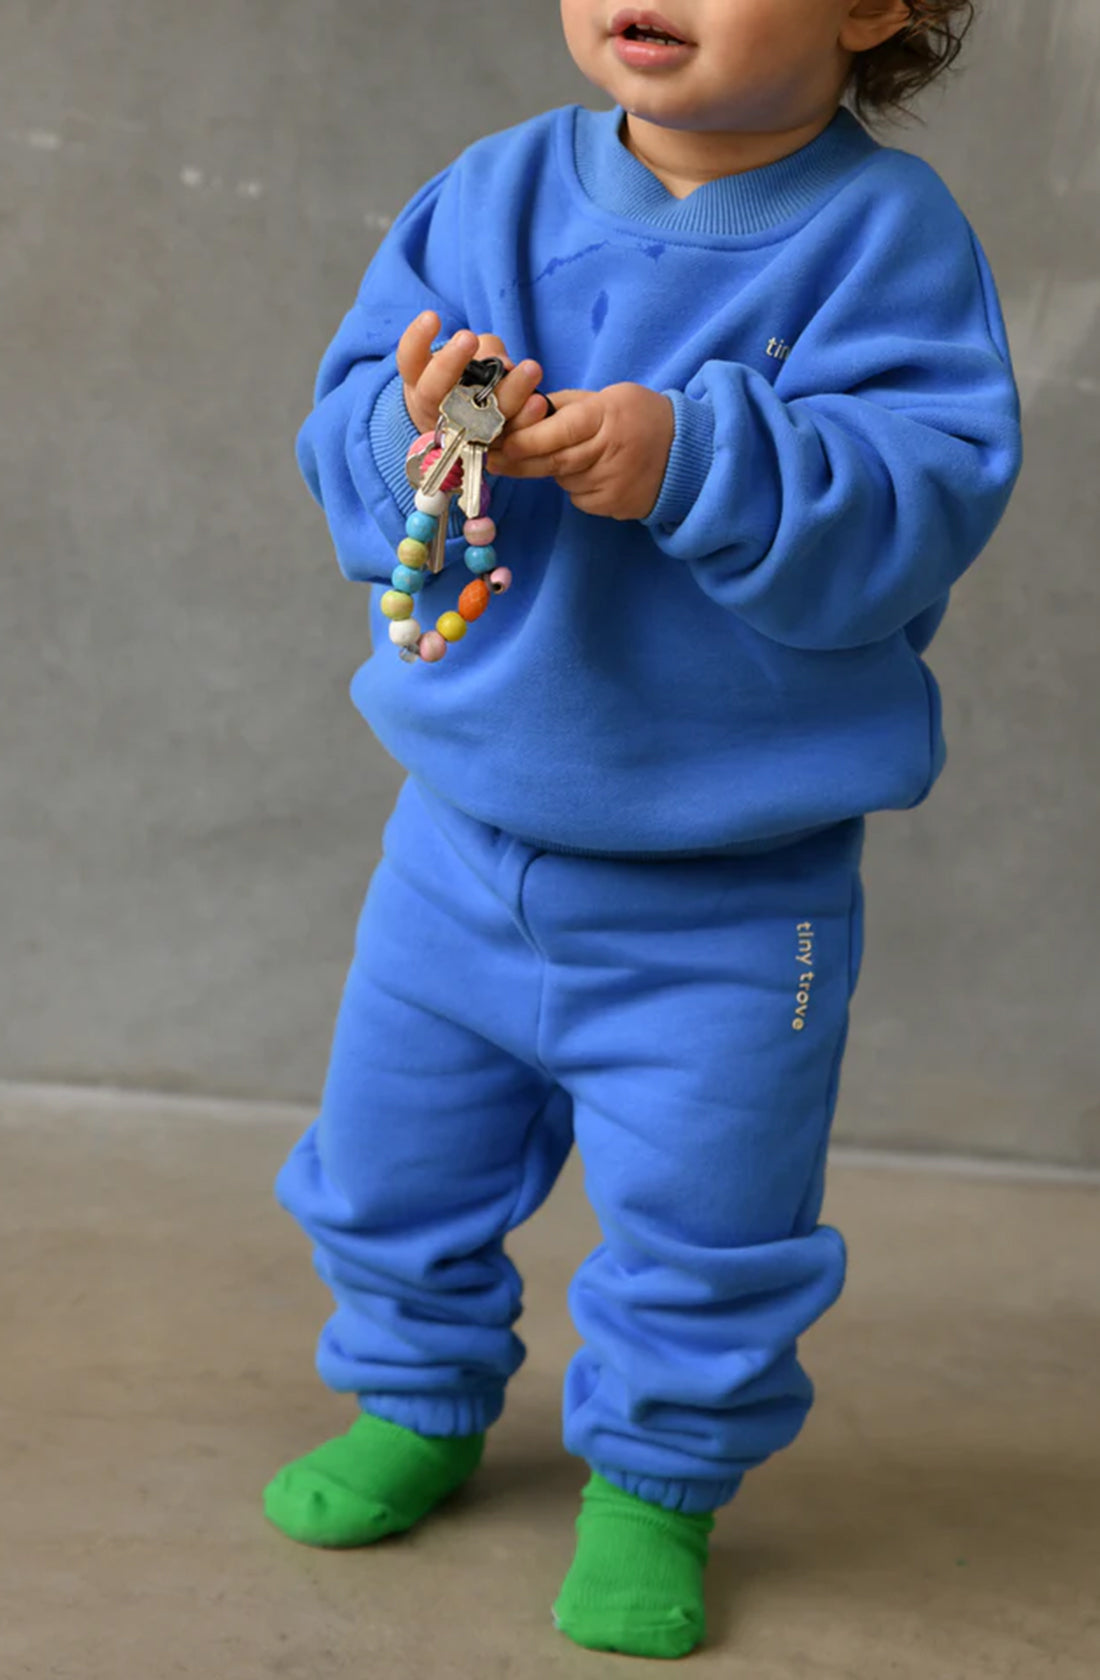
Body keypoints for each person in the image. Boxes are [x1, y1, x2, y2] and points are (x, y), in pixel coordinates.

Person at [263, 0, 1021, 1659]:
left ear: (876, 8)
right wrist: (422, 432)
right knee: (392, 1172)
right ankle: (417, 1393)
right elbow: (342, 441)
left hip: (736, 905)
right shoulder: (492, 193)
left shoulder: (889, 239)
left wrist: (697, 457)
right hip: (456, 848)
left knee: (709, 1230)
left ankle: (659, 1484)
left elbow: (913, 509)